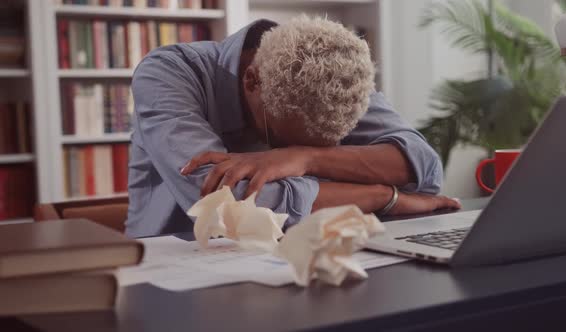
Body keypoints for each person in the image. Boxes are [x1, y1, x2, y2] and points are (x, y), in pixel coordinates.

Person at [126, 16, 460, 238]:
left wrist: (306, 158)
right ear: (252, 80)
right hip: (178, 266)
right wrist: (382, 196)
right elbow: (228, 206)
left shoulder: (332, 71)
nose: (279, 155)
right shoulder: (167, 74)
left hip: (291, 253)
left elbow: (422, 166)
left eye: (327, 146)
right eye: (278, 141)